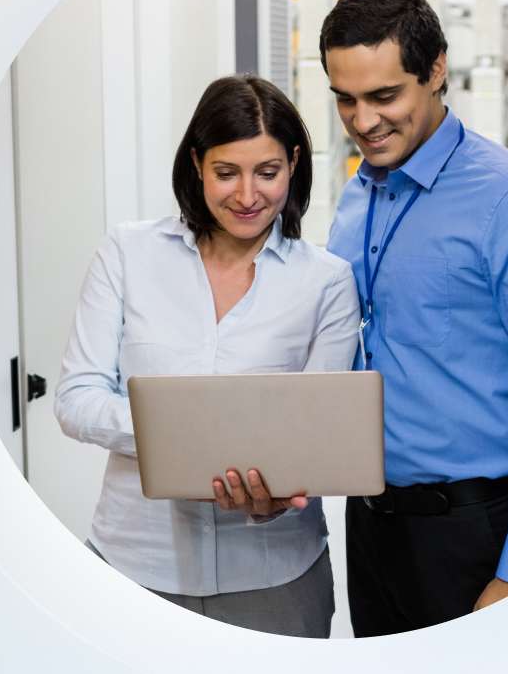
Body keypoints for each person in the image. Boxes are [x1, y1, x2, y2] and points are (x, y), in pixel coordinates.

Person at [320, 0, 508, 636]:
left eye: (385, 96)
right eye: (347, 99)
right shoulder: (360, 194)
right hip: (372, 528)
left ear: (437, 69)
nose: (364, 121)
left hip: (472, 535)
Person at [54, 74, 360, 637]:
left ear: (294, 163)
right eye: (226, 173)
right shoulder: (128, 253)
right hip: (133, 566)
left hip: (274, 576)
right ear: (196, 164)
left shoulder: (327, 282)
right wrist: (190, 436)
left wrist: (275, 478)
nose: (247, 196)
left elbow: (321, 431)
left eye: (267, 173)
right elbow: (76, 399)